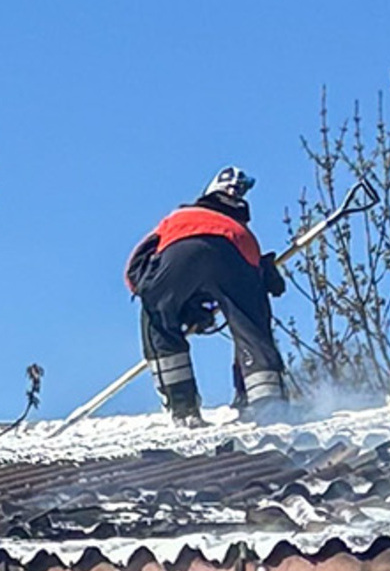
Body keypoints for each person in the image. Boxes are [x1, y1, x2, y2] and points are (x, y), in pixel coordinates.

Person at [124, 167, 291, 427]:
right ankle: (267, 405)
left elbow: (136, 273)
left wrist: (165, 304)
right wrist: (260, 276)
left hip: (179, 248)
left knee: (156, 317)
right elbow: (242, 287)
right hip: (238, 248)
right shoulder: (239, 229)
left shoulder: (178, 217)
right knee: (251, 327)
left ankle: (183, 409)